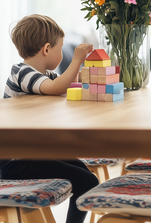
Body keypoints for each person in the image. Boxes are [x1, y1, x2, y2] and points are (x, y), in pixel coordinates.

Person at [2, 14, 99, 223]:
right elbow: (56, 89)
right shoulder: (21, 72)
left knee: (86, 174)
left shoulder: (44, 74)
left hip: (31, 153)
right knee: (86, 180)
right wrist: (76, 60)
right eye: (60, 48)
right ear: (47, 49)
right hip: (12, 160)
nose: (62, 55)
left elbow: (67, 83)